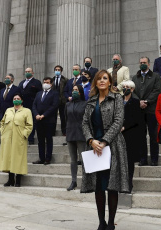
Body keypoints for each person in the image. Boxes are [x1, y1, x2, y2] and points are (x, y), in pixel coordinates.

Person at [81, 70, 129, 230]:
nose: (102, 81)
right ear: (95, 82)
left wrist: (104, 141)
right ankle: (101, 222)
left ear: (110, 82)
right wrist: (91, 140)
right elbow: (85, 124)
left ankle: (110, 223)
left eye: (105, 78)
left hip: (112, 146)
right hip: (95, 148)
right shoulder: (91, 101)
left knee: (112, 185)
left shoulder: (117, 98)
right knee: (98, 186)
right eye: (99, 79)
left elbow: (118, 121)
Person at [131, 57, 161, 166]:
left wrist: (147, 101)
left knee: (153, 136)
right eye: (141, 63)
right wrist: (139, 102)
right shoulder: (135, 78)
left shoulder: (155, 76)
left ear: (149, 64)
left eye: (144, 63)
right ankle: (142, 158)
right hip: (139, 110)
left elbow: (157, 90)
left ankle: (154, 159)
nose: (142, 64)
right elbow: (132, 92)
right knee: (140, 136)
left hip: (151, 110)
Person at [0, 93, 33, 187]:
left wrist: (24, 134)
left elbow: (29, 125)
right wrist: (3, 132)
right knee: (9, 158)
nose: (16, 99)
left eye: (18, 98)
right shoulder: (8, 110)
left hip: (19, 138)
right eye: (14, 98)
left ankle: (18, 180)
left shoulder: (26, 111)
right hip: (7, 138)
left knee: (18, 159)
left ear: (21, 100)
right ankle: (10, 179)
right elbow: (2, 122)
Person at [121, 80, 146, 192]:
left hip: (130, 134)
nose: (125, 88)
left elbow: (137, 119)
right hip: (118, 135)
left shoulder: (135, 102)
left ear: (132, 89)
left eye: (127, 87)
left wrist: (125, 127)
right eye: (124, 87)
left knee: (129, 161)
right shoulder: (118, 101)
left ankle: (129, 183)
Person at [65, 85, 88, 191]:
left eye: (76, 90)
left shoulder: (85, 104)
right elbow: (66, 118)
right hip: (70, 133)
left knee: (83, 159)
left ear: (80, 92)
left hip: (81, 134)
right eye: (73, 90)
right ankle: (73, 181)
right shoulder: (68, 104)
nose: (74, 91)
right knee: (73, 160)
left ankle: (86, 181)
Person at [32, 77, 59, 165]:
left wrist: (44, 115)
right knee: (40, 141)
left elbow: (54, 106)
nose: (45, 84)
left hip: (48, 120)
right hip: (38, 121)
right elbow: (34, 105)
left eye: (47, 82)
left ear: (51, 84)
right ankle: (41, 158)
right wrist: (36, 115)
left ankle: (48, 158)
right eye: (44, 82)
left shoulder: (54, 93)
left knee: (48, 140)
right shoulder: (38, 93)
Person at [0, 74, 20, 164]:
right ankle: (1, 156)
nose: (6, 79)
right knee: (3, 139)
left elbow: (17, 103)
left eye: (8, 78)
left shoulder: (16, 89)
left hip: (12, 117)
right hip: (3, 118)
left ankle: (11, 157)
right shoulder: (2, 90)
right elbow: (0, 104)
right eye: (5, 78)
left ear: (12, 80)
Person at [18, 68, 42, 144]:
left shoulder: (37, 82)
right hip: (22, 106)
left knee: (31, 122)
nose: (27, 73)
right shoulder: (22, 82)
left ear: (32, 73)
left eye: (29, 71)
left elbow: (39, 94)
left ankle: (30, 138)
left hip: (32, 105)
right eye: (26, 72)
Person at [52, 65, 69, 136]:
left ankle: (64, 131)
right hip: (54, 100)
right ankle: (52, 131)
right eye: (56, 69)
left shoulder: (65, 79)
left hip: (62, 100)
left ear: (61, 71)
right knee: (53, 117)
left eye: (59, 70)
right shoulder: (52, 79)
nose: (57, 71)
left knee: (63, 116)